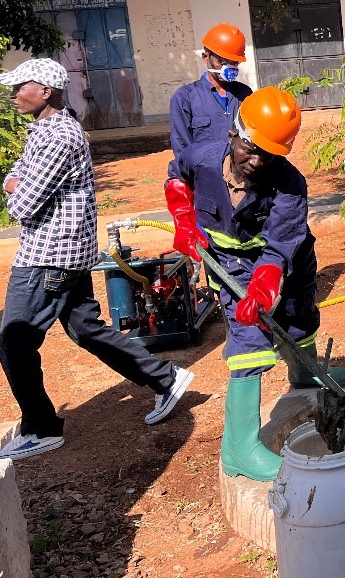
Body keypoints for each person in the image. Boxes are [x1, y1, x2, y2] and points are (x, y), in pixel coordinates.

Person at [0, 59, 193, 462]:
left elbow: (24, 204)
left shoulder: (58, 137)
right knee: (86, 329)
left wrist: (15, 186)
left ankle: (42, 427)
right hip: (63, 250)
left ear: (46, 91)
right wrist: (15, 181)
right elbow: (17, 177)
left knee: (13, 343)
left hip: (48, 256)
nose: (14, 93)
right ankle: (166, 377)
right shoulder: (49, 128)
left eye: (21, 86)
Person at [165, 86, 345, 482]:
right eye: (251, 148)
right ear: (234, 132)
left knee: (298, 314)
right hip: (231, 264)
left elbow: (280, 246)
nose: (257, 160)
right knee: (249, 342)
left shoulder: (289, 184)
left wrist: (266, 284)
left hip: (285, 261)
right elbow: (176, 179)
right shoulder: (202, 157)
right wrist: (183, 217)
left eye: (269, 153)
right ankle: (240, 449)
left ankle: (303, 372)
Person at [169, 23, 253, 156]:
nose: (229, 67)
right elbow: (182, 149)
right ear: (205, 57)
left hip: (238, 172)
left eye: (234, 62)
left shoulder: (244, 94)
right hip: (204, 174)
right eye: (223, 61)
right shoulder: (185, 98)